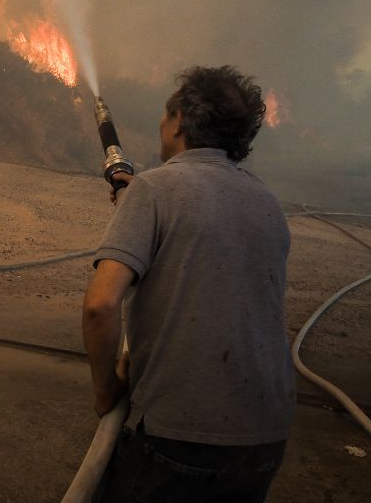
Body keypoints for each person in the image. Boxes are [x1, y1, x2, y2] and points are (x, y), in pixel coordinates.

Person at [83, 66, 295, 502]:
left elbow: (100, 306)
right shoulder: (268, 203)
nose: (162, 122)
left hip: (180, 436)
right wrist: (138, 196)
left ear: (179, 121)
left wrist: (107, 391)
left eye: (166, 114)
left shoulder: (154, 191)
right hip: (265, 440)